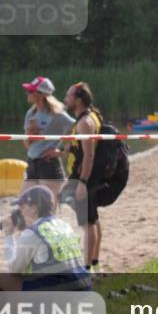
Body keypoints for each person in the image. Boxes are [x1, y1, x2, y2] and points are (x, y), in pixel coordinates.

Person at [62, 82, 128, 273]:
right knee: (93, 220)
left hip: (87, 176)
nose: (65, 99)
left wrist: (82, 183)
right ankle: (95, 263)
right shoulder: (90, 116)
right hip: (86, 175)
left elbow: (89, 154)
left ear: (78, 100)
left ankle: (86, 268)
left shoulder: (85, 122)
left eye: (69, 96)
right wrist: (59, 151)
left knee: (88, 224)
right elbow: (77, 146)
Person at [0, 184, 91, 292]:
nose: (19, 211)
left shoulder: (32, 233)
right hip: (83, 289)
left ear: (34, 208)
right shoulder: (64, 225)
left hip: (59, 298)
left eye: (22, 206)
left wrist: (9, 234)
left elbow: (14, 269)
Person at [20, 75, 74, 201]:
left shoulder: (57, 115)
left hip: (49, 165)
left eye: (30, 91)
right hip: (32, 164)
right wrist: (29, 137)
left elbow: (81, 133)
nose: (27, 93)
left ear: (42, 94)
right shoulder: (30, 113)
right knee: (23, 204)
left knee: (47, 208)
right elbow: (27, 146)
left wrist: (61, 152)